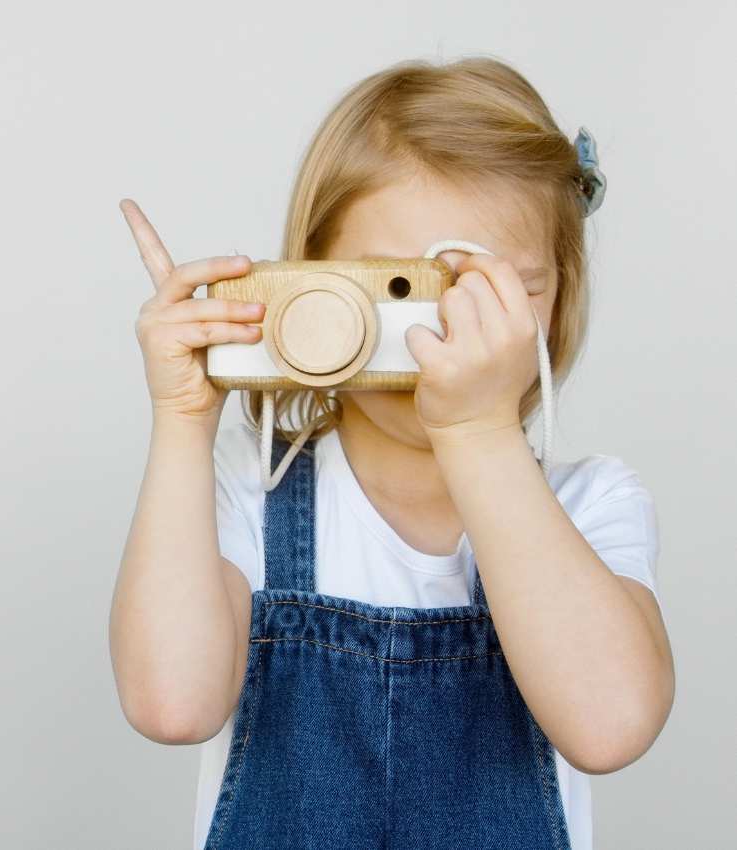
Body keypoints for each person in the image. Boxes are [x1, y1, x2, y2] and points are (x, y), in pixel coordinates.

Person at [110, 58, 674, 850]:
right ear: (309, 284)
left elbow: (611, 725)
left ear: (557, 303)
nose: (433, 334)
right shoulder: (244, 485)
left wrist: (477, 432)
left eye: (494, 294)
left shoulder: (592, 507)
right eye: (397, 286)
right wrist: (181, 422)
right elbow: (171, 704)